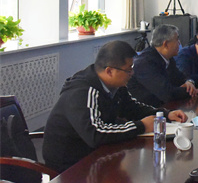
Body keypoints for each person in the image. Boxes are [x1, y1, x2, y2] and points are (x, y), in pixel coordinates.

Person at [43, 41, 187, 172]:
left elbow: (132, 108)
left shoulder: (116, 85)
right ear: (109, 71)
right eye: (128, 70)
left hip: (96, 152)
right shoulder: (83, 92)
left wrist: (164, 114)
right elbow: (96, 133)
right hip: (70, 165)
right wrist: (141, 126)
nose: (132, 74)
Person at [127, 24, 198, 107]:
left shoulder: (168, 58)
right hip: (145, 109)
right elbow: (167, 94)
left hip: (162, 106)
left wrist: (189, 82)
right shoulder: (145, 62)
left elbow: (180, 78)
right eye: (177, 39)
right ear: (165, 44)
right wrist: (189, 90)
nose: (179, 43)